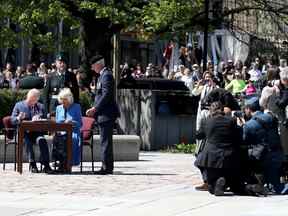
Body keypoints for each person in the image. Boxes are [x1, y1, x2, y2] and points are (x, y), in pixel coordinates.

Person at [195, 102, 244, 196]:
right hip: (229, 153)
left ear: (211, 111)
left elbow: (199, 135)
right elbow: (238, 136)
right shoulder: (231, 120)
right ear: (222, 110)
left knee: (199, 161)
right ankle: (219, 182)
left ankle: (211, 182)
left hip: (211, 155)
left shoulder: (208, 121)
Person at [243, 97, 288, 195]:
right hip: (278, 155)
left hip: (264, 160)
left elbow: (243, 142)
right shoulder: (271, 117)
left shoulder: (249, 125)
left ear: (248, 109)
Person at [86, 55, 120, 175]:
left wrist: (95, 108)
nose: (92, 68)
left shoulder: (107, 75)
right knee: (104, 141)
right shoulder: (102, 76)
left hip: (106, 113)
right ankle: (107, 166)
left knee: (105, 141)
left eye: (93, 66)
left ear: (98, 64)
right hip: (103, 113)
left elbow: (106, 95)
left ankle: (106, 167)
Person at [11, 89, 52, 173]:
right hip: (23, 133)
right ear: (27, 97)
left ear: (37, 99)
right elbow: (12, 120)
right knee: (27, 142)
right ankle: (32, 163)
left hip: (36, 133)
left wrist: (40, 119)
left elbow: (46, 119)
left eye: (34, 101)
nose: (32, 102)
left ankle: (46, 165)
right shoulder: (19, 105)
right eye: (31, 100)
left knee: (42, 140)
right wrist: (19, 118)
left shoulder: (40, 106)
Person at [53, 88, 82, 171]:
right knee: (57, 138)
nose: (63, 101)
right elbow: (57, 123)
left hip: (73, 131)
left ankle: (66, 163)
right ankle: (60, 162)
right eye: (61, 99)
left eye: (65, 99)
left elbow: (80, 124)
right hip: (61, 131)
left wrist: (72, 122)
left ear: (69, 99)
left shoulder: (76, 107)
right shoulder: (58, 108)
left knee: (69, 139)